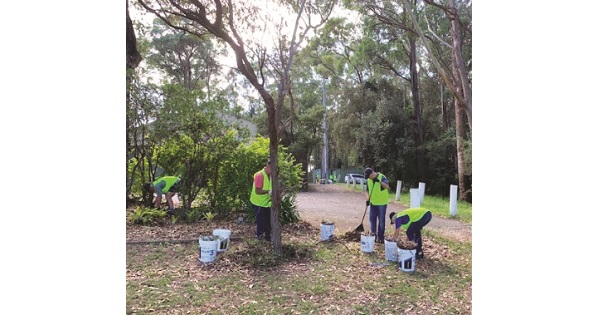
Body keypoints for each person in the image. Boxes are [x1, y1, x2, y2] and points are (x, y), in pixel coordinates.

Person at [364, 167, 390, 243]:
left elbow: (387, 186)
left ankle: (381, 237)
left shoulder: (382, 176)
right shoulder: (369, 180)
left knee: (381, 221)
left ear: (372, 173)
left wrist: (379, 181)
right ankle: (373, 236)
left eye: (369, 176)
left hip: (382, 203)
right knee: (372, 220)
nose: (368, 178)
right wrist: (368, 199)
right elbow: (367, 191)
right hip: (373, 203)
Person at [250, 160, 272, 241]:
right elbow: (257, 191)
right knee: (261, 222)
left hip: (267, 203)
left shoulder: (271, 175)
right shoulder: (260, 175)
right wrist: (268, 191)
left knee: (268, 222)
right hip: (258, 203)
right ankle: (260, 239)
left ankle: (268, 238)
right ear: (268, 166)